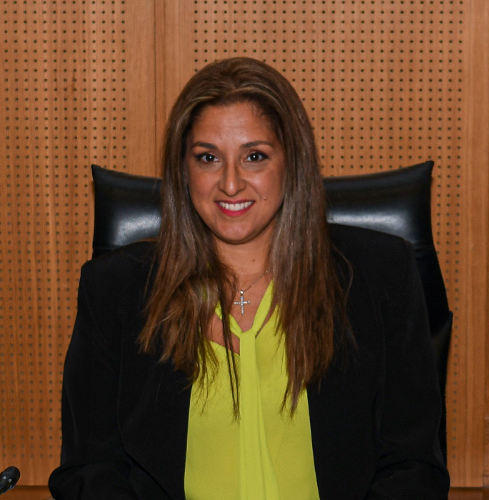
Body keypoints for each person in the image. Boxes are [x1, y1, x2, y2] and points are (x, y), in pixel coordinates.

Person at [48, 57, 450, 499]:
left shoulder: (380, 276)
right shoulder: (115, 290)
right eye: (208, 158)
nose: (231, 183)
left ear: (292, 162)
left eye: (254, 157)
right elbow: (90, 469)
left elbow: (413, 465)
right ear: (183, 170)